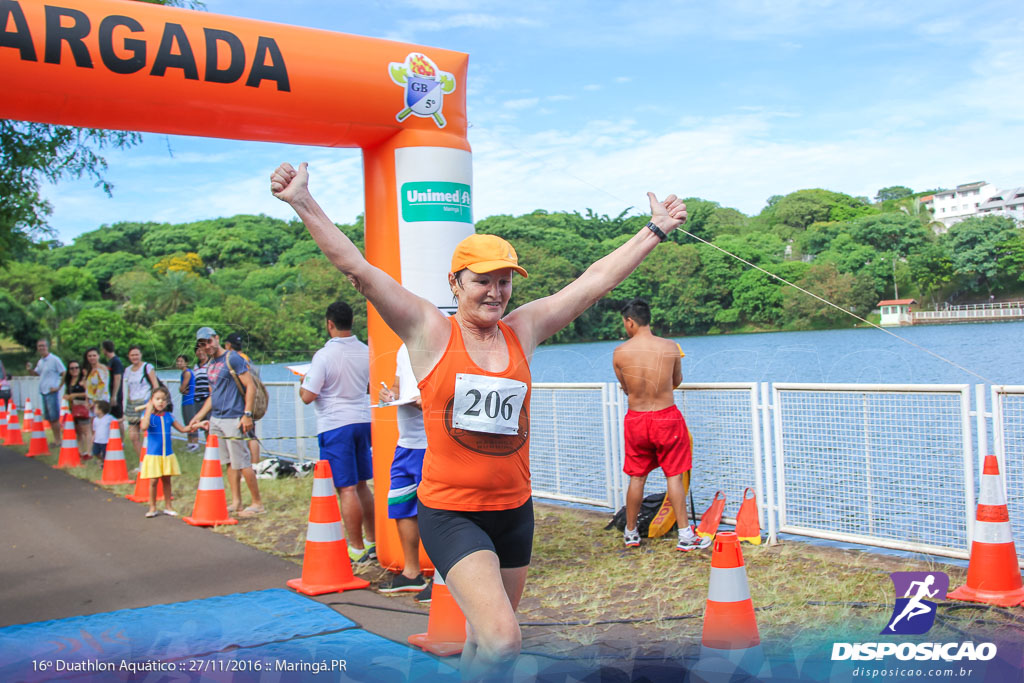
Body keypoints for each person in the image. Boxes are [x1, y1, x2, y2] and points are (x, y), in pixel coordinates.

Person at [272, 160, 686, 678]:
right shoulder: (428, 330)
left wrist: (654, 231)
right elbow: (358, 270)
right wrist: (302, 202)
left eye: (505, 281)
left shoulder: (522, 329)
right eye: (482, 281)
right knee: (504, 641)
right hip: (451, 512)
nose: (495, 292)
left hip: (514, 510)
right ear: (455, 283)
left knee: (484, 641)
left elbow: (593, 282)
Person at [612, 299, 709, 552]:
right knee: (674, 476)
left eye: (625, 322)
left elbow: (626, 388)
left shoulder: (620, 353)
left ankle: (631, 532)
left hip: (636, 418)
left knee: (637, 476)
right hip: (666, 416)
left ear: (630, 321)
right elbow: (676, 380)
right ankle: (686, 535)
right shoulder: (670, 347)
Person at [299, 302, 377, 564]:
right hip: (363, 420)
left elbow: (308, 396)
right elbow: (370, 387)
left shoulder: (323, 356)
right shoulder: (365, 351)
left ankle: (355, 548)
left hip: (335, 424)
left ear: (329, 323)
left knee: (346, 488)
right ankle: (372, 540)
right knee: (362, 484)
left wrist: (303, 382)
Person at [189, 327, 265, 517]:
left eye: (208, 341)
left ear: (217, 338)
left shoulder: (233, 358)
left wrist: (246, 414)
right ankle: (237, 502)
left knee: (243, 462)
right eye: (202, 344)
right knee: (229, 463)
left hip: (234, 417)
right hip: (217, 418)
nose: (206, 346)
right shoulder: (210, 364)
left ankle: (257, 503)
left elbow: (250, 386)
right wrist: (200, 415)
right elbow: (213, 394)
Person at [377, 342, 430, 600]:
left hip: (432, 445)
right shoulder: (402, 348)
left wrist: (429, 398)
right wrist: (388, 395)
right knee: (401, 505)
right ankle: (412, 573)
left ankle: (444, 580)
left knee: (438, 512)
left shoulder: (441, 341)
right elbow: (397, 386)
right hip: (405, 444)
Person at [139, 387, 190, 518]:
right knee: (153, 481)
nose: (161, 402)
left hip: (167, 454)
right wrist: (148, 411)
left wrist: (197, 425)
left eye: (164, 399)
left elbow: (183, 429)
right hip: (153, 455)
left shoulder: (168, 416)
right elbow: (143, 427)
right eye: (157, 399)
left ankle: (168, 506)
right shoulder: (148, 416)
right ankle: (152, 507)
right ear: (151, 401)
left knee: (167, 480)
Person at [223, 333, 262, 468]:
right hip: (250, 401)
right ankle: (255, 464)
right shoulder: (247, 358)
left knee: (248, 436)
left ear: (228, 345)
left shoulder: (233, 359)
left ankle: (251, 465)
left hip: (242, 402)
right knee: (251, 434)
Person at [122, 346, 159, 462]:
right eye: (132, 355)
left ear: (141, 355)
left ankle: (151, 460)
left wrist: (153, 402)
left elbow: (155, 385)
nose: (135, 357)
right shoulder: (127, 370)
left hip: (145, 401)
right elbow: (128, 387)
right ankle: (142, 460)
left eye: (137, 354)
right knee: (133, 436)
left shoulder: (147, 367)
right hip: (132, 403)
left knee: (147, 433)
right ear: (129, 356)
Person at [27, 339, 65, 447]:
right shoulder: (41, 361)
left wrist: (58, 387)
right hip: (43, 392)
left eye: (43, 346)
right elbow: (36, 374)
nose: (41, 348)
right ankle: (56, 439)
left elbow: (64, 371)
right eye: (39, 346)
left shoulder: (54, 359)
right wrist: (30, 370)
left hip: (51, 391)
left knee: (54, 418)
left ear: (47, 347)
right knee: (49, 418)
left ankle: (59, 440)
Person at [63, 360, 93, 458]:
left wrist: (74, 395)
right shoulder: (69, 381)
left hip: (82, 406)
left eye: (76, 367)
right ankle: (80, 451)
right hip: (73, 407)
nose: (74, 370)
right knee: (78, 431)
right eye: (72, 368)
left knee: (86, 430)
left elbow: (89, 393)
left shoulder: (83, 381)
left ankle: (89, 452)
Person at [175, 355, 199, 452]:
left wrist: (182, 389)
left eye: (181, 361)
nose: (179, 363)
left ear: (186, 363)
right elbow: (182, 389)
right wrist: (182, 390)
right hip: (185, 400)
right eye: (178, 361)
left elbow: (182, 388)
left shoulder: (187, 373)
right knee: (187, 422)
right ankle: (190, 443)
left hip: (190, 401)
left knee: (192, 422)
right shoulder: (183, 373)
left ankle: (195, 444)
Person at [192, 342, 211, 444]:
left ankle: (214, 447)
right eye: (197, 350)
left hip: (208, 398)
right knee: (203, 425)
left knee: (211, 425)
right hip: (198, 398)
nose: (200, 352)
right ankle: (209, 447)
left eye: (202, 350)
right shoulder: (196, 366)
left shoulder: (211, 363)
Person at [102, 341, 125, 420]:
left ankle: (120, 432)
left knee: (118, 418)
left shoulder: (116, 361)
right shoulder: (110, 361)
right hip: (110, 393)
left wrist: (114, 396)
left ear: (104, 349)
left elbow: (117, 378)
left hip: (116, 394)